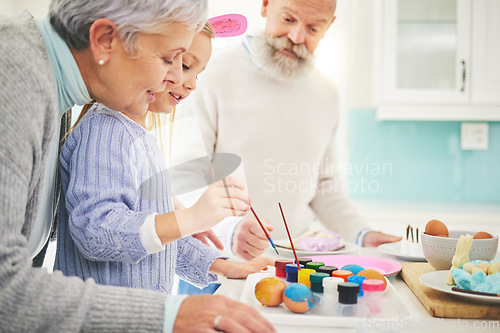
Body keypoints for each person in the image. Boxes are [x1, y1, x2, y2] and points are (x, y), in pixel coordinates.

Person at [0, 0, 274, 332]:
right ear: (104, 39)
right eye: (168, 59)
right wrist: (169, 314)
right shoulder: (17, 78)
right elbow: (89, 233)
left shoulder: (53, 88)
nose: (173, 79)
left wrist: (212, 258)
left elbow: (78, 217)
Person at [54, 22, 274, 292]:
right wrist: (192, 218)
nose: (191, 84)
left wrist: (221, 265)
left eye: (197, 72)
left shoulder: (139, 138)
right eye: (182, 65)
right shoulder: (106, 131)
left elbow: (152, 238)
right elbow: (97, 232)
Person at [178, 0, 401, 261]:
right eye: (288, 19)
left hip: (296, 262)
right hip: (218, 263)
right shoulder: (207, 75)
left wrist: (361, 234)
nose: (296, 37)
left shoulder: (325, 93)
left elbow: (324, 185)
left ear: (329, 26)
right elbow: (185, 177)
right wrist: (229, 232)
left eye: (313, 29)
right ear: (265, 6)